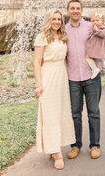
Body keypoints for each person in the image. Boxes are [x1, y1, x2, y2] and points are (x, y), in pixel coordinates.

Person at [33, 10, 75, 170]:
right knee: (50, 114)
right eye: (54, 19)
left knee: (60, 114)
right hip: (48, 76)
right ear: (48, 20)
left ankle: (52, 146)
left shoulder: (63, 37)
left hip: (61, 77)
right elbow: (37, 62)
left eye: (59, 19)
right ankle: (56, 152)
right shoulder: (42, 37)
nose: (57, 21)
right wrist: (38, 84)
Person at [65, 0, 102, 160]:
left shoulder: (90, 26)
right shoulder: (63, 30)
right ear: (68, 11)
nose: (75, 11)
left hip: (91, 76)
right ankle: (75, 145)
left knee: (93, 113)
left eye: (78, 8)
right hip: (72, 77)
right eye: (72, 8)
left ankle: (95, 145)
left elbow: (103, 39)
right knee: (75, 114)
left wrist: (100, 63)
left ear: (81, 10)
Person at [85, 12, 105, 79]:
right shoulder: (94, 27)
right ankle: (101, 66)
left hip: (98, 47)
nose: (95, 22)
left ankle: (95, 69)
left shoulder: (102, 27)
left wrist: (97, 30)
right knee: (93, 56)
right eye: (93, 21)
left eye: (97, 20)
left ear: (102, 21)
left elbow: (103, 35)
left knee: (88, 56)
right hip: (95, 46)